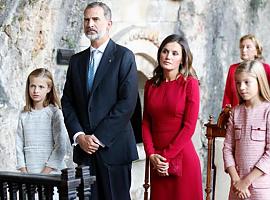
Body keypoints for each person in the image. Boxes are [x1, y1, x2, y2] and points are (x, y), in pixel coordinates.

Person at [61, 2, 138, 200]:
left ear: (109, 23)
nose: (90, 24)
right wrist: (79, 136)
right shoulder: (77, 61)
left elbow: (127, 103)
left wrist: (98, 138)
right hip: (85, 152)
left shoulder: (124, 56)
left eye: (96, 19)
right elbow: (67, 101)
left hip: (114, 149)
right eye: (86, 19)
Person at [142, 34, 203, 200]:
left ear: (183, 59)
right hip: (158, 163)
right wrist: (151, 154)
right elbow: (146, 123)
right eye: (165, 51)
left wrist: (164, 156)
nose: (168, 56)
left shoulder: (190, 84)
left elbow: (189, 127)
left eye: (175, 53)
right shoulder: (150, 85)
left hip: (182, 161)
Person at [223, 60, 270, 200]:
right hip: (237, 188)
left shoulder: (267, 111)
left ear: (259, 81)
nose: (241, 88)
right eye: (238, 83)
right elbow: (227, 148)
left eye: (246, 82)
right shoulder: (235, 112)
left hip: (261, 189)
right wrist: (236, 181)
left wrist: (246, 182)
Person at [16, 68, 68, 174]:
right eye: (33, 86)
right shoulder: (23, 114)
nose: (36, 91)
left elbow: (61, 146)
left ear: (48, 88)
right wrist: (24, 172)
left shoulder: (54, 113)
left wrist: (44, 174)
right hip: (30, 173)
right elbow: (19, 145)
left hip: (52, 174)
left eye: (41, 87)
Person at [222, 34, 270, 108]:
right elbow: (228, 94)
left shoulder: (266, 68)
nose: (243, 50)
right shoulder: (233, 68)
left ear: (256, 50)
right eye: (241, 47)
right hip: (236, 113)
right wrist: (224, 113)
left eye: (248, 47)